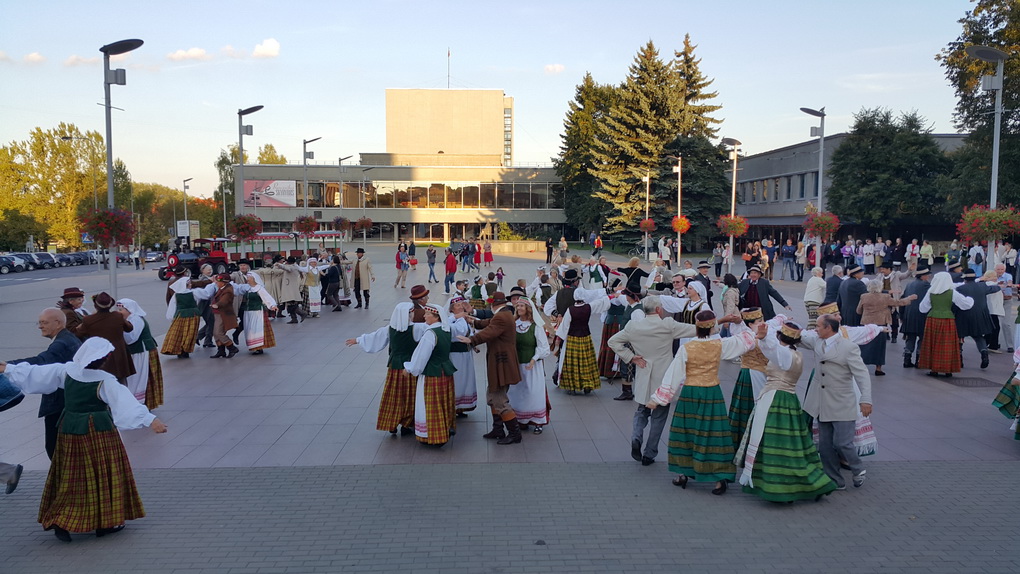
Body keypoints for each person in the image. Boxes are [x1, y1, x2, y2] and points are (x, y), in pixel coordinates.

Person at [0, 338, 168, 542]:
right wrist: (151, 420)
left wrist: (8, 368)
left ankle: (61, 519)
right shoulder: (105, 380)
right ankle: (104, 522)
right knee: (103, 474)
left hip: (70, 429)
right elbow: (124, 402)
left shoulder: (67, 371)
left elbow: (37, 373)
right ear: (104, 359)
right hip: (99, 432)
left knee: (70, 475)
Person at [648, 310, 764, 494]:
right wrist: (754, 326)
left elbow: (674, 374)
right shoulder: (720, 345)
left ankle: (683, 473)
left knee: (687, 432)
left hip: (690, 393)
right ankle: (719, 478)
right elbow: (743, 342)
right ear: (713, 327)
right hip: (711, 392)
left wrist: (658, 398)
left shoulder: (687, 348)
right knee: (713, 433)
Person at [734, 321, 838, 502]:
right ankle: (810, 482)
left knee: (775, 443)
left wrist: (765, 337)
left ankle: (780, 486)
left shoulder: (785, 355)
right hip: (789, 399)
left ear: (780, 337)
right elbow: (772, 351)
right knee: (793, 444)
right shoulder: (797, 354)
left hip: (775, 400)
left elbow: (773, 350)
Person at [609, 295, 699, 465]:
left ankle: (636, 436)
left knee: (641, 411)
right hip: (663, 378)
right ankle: (649, 454)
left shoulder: (633, 326)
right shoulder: (667, 325)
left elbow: (612, 341)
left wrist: (631, 357)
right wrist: (719, 322)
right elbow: (696, 329)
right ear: (659, 309)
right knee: (659, 417)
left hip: (644, 373)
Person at [797, 314, 872, 490]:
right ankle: (835, 480)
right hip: (822, 402)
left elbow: (862, 374)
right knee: (824, 445)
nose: (815, 329)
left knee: (842, 442)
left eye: (818, 326)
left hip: (841, 401)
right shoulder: (817, 341)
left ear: (828, 328)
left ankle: (858, 469)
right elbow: (798, 338)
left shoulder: (848, 347)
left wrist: (866, 399)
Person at [7, 308, 82, 459]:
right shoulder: (67, 339)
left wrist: (8, 366)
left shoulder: (61, 343)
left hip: (60, 405)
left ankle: (64, 481)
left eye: (44, 322)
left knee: (55, 449)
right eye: (39, 322)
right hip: (67, 403)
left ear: (58, 323)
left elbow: (41, 361)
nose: (40, 326)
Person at [460, 291, 524, 445]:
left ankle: (515, 434)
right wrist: (471, 320)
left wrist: (471, 339)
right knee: (492, 395)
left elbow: (489, 332)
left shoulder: (502, 316)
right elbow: (488, 323)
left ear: (492, 304)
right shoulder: (504, 314)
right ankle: (498, 429)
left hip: (502, 363)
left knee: (499, 399)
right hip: (501, 362)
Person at [346, 302, 418, 436]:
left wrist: (358, 340)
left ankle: (392, 423)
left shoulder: (390, 329)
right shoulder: (417, 328)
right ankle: (407, 423)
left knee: (393, 395)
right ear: (409, 314)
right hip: (410, 367)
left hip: (394, 366)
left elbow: (374, 337)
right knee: (409, 395)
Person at [404, 303, 456, 446]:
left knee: (430, 404)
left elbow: (421, 356)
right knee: (444, 401)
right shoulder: (445, 329)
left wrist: (410, 368)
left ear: (436, 317)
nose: (424, 316)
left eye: (427, 314)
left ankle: (433, 435)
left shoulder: (430, 334)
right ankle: (446, 428)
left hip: (432, 373)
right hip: (445, 371)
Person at [553, 289, 613, 395]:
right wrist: (612, 296)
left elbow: (564, 326)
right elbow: (602, 303)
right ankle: (587, 384)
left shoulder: (570, 310)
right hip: (585, 337)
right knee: (586, 360)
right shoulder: (588, 307)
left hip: (572, 338)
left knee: (572, 362)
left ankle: (572, 385)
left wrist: (559, 339)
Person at [508, 296, 551, 434]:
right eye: (518, 306)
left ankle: (538, 421)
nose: (519, 308)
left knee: (533, 391)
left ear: (528, 309)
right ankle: (521, 419)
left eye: (522, 306)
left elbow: (544, 347)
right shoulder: (513, 324)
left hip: (532, 366)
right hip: (516, 365)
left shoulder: (536, 326)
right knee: (518, 392)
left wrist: (534, 359)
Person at [918, 272, 974, 377]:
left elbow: (923, 308)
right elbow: (965, 305)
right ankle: (948, 369)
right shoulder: (952, 293)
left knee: (933, 344)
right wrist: (971, 299)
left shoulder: (931, 292)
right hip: (947, 320)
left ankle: (933, 369)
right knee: (947, 345)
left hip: (933, 319)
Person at [857, 280, 917, 376]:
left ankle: (861, 366)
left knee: (865, 345)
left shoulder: (864, 296)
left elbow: (858, 310)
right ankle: (878, 368)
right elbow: (898, 302)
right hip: (881, 324)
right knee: (879, 347)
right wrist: (909, 298)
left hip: (867, 324)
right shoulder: (885, 297)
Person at [76, 292, 135, 381]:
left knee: (101, 382)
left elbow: (79, 333)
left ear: (96, 306)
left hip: (99, 356)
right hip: (118, 354)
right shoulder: (117, 316)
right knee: (120, 383)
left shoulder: (88, 319)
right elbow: (129, 328)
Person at [118, 299, 165, 409]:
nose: (119, 312)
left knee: (139, 376)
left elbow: (131, 338)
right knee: (138, 376)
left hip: (141, 352)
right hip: (137, 352)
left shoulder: (135, 319)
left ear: (129, 310)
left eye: (121, 309)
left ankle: (137, 402)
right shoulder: (130, 319)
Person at [955, 269, 1000, 369]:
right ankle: (984, 353)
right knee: (979, 337)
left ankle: (959, 359)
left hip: (963, 316)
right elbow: (995, 288)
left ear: (965, 279)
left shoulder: (960, 289)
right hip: (980, 316)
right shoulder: (982, 286)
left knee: (959, 337)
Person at [447, 297, 478, 417]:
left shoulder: (465, 319)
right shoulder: (450, 320)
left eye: (461, 305)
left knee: (466, 378)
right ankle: (454, 406)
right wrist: (456, 318)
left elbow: (469, 333)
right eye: (457, 305)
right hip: (455, 355)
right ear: (451, 309)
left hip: (466, 354)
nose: (460, 307)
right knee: (457, 379)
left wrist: (473, 344)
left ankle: (461, 407)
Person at [161, 269, 201, 358]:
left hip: (181, 316)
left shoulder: (178, 295)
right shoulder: (191, 293)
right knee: (188, 334)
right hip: (192, 316)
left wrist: (171, 317)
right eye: (189, 283)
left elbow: (172, 307)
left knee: (180, 333)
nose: (191, 285)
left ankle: (182, 350)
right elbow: (198, 301)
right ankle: (183, 350)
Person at [900, 266, 933, 368]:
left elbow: (903, 299)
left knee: (910, 338)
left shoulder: (909, 285)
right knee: (922, 338)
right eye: (927, 275)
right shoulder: (927, 286)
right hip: (923, 315)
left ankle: (907, 359)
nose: (928, 277)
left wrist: (902, 315)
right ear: (923, 276)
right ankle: (919, 360)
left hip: (909, 315)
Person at [876, 261, 913, 343]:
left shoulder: (896, 275)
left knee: (894, 320)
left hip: (894, 300)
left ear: (889, 269)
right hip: (883, 300)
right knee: (883, 319)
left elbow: (905, 275)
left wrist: (909, 270)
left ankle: (894, 336)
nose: (882, 271)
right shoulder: (879, 276)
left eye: (883, 269)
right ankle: (886, 334)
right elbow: (874, 285)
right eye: (881, 269)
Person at [276, 257, 307, 324]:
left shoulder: (292, 267)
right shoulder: (295, 267)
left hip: (290, 289)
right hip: (290, 289)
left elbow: (287, 268)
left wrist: (279, 265)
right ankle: (294, 318)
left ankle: (302, 313)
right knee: (290, 304)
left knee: (291, 304)